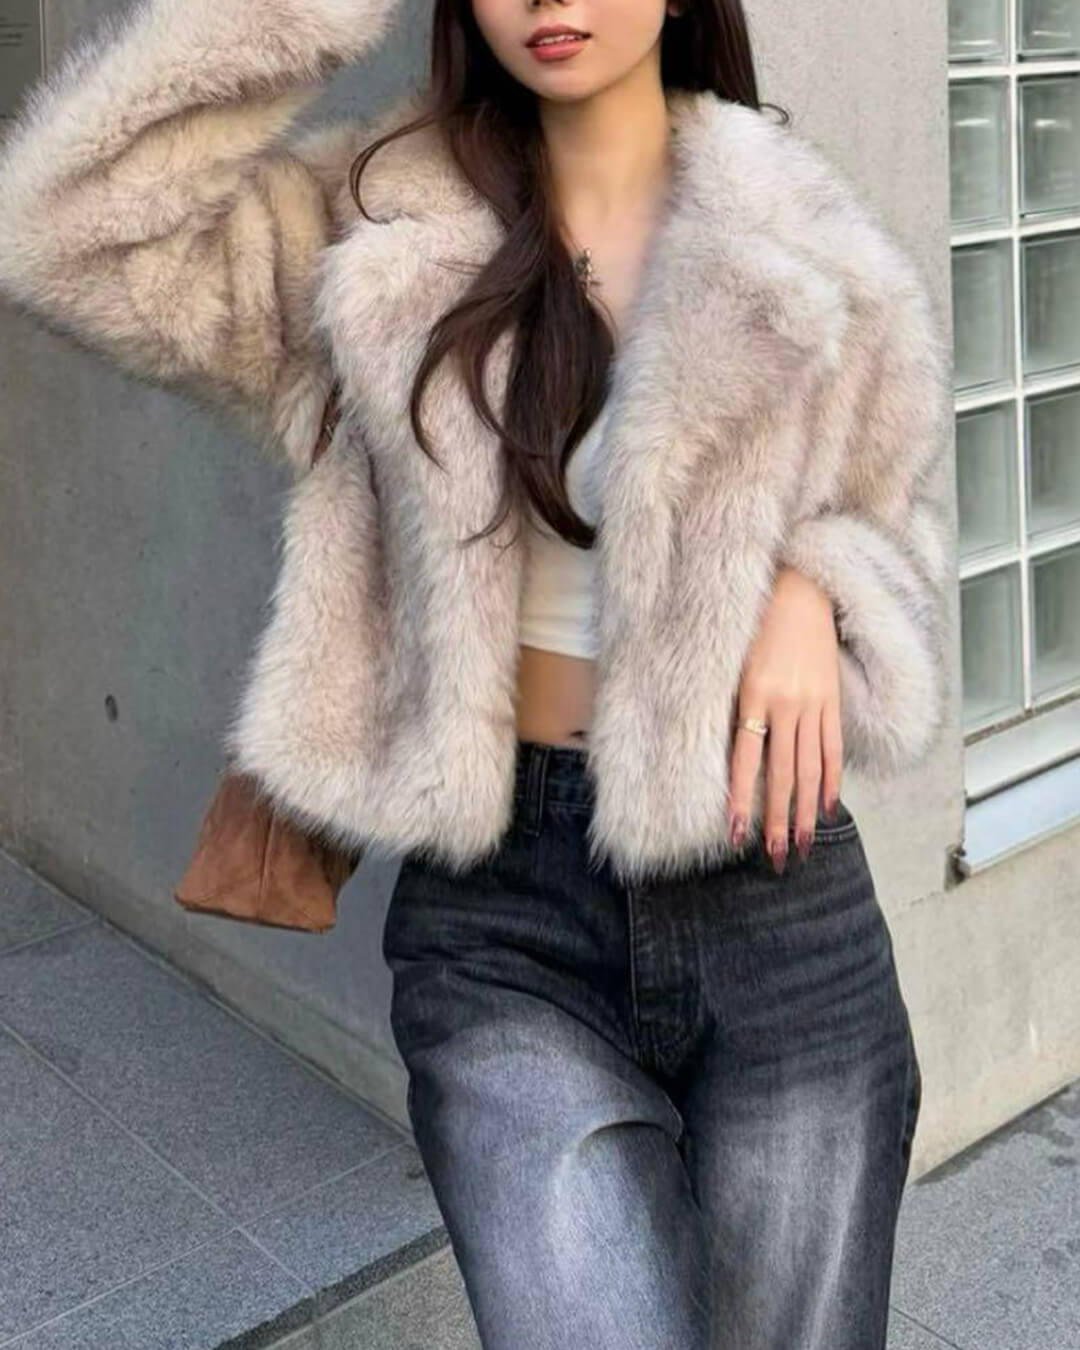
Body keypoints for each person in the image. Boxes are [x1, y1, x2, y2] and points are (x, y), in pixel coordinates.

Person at [0, 0, 951, 1345]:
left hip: (781, 904)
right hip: (504, 921)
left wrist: (819, 585)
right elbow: (65, 229)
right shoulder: (372, 226)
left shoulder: (807, 239)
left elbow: (900, 520)